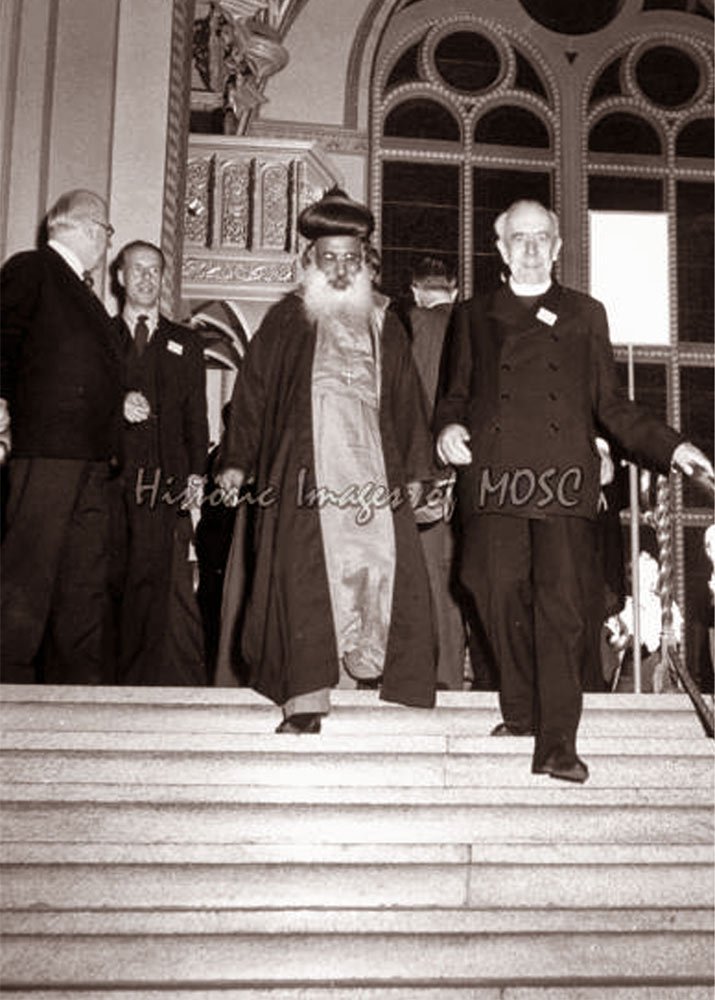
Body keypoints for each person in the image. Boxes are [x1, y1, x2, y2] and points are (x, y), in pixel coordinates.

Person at [435, 199, 714, 783]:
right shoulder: (473, 314)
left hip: (564, 477)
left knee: (561, 609)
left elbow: (609, 404)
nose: (532, 248)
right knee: (492, 589)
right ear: (501, 248)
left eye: (542, 237)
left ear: (558, 247)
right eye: (520, 238)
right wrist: (448, 429)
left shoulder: (586, 313)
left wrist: (671, 446)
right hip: (496, 477)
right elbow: (454, 394)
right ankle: (520, 710)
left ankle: (557, 743)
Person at [216, 186, 438, 732]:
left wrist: (417, 472)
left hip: (372, 469)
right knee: (303, 579)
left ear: (365, 262)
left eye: (350, 259)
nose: (340, 270)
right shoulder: (285, 319)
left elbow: (408, 401)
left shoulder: (385, 321)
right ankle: (306, 700)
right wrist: (237, 460)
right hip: (303, 472)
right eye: (329, 259)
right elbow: (252, 395)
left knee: (376, 569)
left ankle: (365, 673)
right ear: (310, 261)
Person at [0, 189, 121, 684]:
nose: (107, 242)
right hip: (48, 450)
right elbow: (2, 335)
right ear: (91, 227)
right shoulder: (32, 268)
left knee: (82, 581)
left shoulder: (83, 290)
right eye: (107, 232)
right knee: (28, 573)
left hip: (92, 458)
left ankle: (78, 691)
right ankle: (7, 684)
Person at [108, 240, 208, 685]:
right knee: (109, 578)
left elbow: (196, 416)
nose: (147, 278)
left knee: (156, 585)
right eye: (138, 269)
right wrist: (116, 404)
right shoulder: (100, 334)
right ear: (120, 276)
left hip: (163, 484)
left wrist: (196, 475)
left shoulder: (185, 341)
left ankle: (142, 684)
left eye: (155, 271)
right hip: (109, 481)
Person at [399, 256, 468, 690]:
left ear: (415, 290)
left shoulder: (414, 326)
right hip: (469, 474)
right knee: (453, 578)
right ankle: (453, 674)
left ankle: (432, 675)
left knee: (425, 576)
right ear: (454, 289)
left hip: (422, 475)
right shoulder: (471, 326)